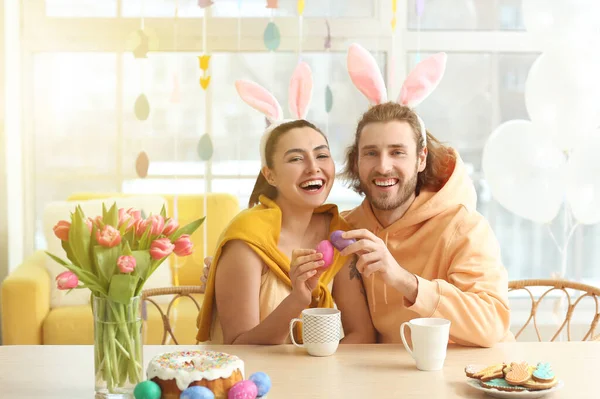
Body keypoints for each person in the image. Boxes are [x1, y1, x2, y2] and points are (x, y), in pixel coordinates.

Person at [336, 43, 513, 348]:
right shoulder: (348, 231)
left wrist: (404, 281)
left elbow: (491, 323)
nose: (383, 166)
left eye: (397, 152)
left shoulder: (463, 226)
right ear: (356, 162)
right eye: (371, 153)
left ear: (420, 159)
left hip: (469, 377)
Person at [196, 62, 375, 345]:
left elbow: (361, 334)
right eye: (295, 158)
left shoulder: (338, 234)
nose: (313, 167)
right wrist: (298, 298)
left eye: (322, 155)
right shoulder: (246, 239)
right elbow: (238, 345)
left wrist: (323, 373)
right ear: (270, 175)